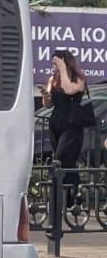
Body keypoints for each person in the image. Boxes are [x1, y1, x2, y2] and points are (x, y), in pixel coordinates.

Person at [44, 49, 89, 205]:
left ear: (64, 61)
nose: (54, 65)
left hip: (72, 125)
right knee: (65, 163)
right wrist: (46, 96)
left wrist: (63, 70)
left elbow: (70, 90)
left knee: (60, 159)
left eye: (56, 62)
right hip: (56, 123)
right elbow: (48, 103)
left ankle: (66, 198)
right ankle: (68, 200)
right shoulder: (53, 79)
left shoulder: (78, 78)